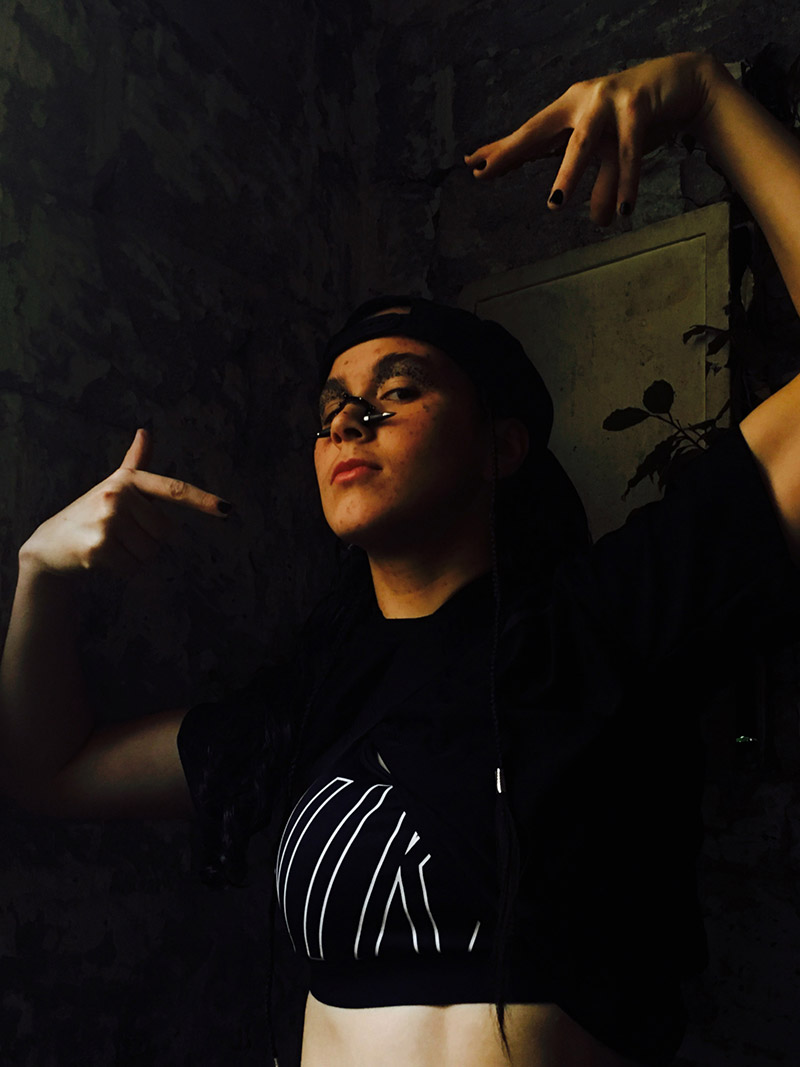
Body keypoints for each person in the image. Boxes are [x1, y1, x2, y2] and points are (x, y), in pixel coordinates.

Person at [2, 50, 800, 1067]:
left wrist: (708, 97)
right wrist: (40, 572)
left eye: (398, 390)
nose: (348, 419)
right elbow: (46, 768)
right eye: (331, 407)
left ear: (498, 446)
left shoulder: (597, 625)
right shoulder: (310, 703)